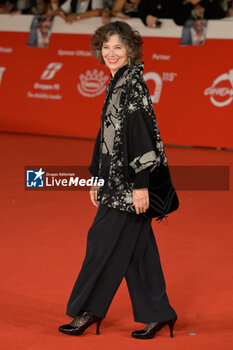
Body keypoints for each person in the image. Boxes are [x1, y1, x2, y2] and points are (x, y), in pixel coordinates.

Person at [58, 21, 177, 340]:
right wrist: (96, 176)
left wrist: (140, 185)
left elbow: (141, 137)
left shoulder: (131, 84)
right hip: (114, 180)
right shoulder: (118, 81)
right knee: (139, 252)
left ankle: (87, 310)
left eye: (118, 47)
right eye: (106, 47)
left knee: (100, 243)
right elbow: (106, 136)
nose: (110, 53)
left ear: (130, 50)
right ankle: (159, 313)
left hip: (128, 186)